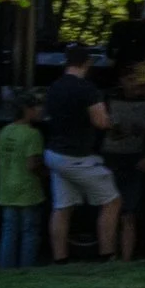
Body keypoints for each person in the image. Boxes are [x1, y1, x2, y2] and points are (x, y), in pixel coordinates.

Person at [42, 44, 117, 263]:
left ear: (66, 61)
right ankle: (107, 255)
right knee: (112, 201)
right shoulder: (87, 89)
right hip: (77, 157)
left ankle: (60, 259)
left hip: (54, 154)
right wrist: (113, 123)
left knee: (62, 207)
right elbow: (100, 121)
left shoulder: (54, 87)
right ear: (88, 63)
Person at [102, 58, 145, 260]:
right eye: (129, 79)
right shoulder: (108, 98)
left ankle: (126, 259)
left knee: (129, 213)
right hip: (111, 158)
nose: (134, 83)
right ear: (121, 80)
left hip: (135, 159)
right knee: (110, 210)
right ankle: (109, 256)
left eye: (136, 79)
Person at [0, 92, 47, 269]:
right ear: (27, 110)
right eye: (36, 106)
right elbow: (31, 164)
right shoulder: (32, 134)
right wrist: (44, 172)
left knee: (9, 231)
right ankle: (26, 268)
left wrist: (10, 162)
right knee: (29, 231)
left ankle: (5, 268)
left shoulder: (5, 131)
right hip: (27, 189)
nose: (40, 110)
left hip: (6, 188)